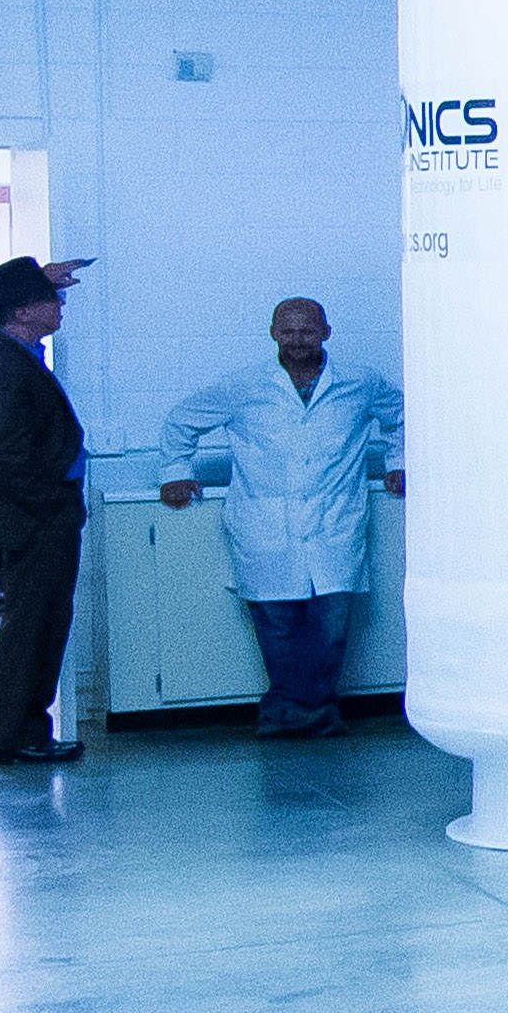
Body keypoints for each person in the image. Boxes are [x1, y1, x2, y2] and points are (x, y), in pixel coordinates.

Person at [161, 297, 404, 738]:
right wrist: (176, 471)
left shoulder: (361, 383)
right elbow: (181, 421)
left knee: (332, 627)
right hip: (264, 524)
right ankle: (303, 713)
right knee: (277, 627)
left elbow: (402, 417)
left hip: (335, 524)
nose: (297, 340)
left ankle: (297, 713)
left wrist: (398, 462)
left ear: (326, 332)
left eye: (307, 330)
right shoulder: (244, 386)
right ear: (273, 332)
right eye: (287, 331)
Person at [0, 253, 95, 770]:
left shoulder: (7, 346)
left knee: (43, 623)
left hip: (39, 513)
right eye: (50, 299)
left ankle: (26, 733)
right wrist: (53, 506)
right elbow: (11, 453)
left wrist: (38, 279)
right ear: (21, 311)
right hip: (33, 516)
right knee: (31, 627)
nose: (60, 306)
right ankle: (9, 738)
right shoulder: (0, 362)